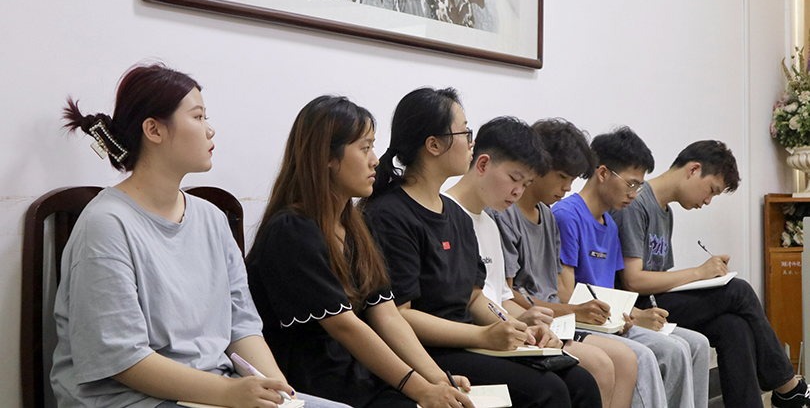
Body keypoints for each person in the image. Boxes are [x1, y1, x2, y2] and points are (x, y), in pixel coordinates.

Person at [52, 63, 345, 408]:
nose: (210, 129)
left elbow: (242, 325)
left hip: (214, 388)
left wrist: (277, 390)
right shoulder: (105, 224)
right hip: (130, 398)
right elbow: (123, 358)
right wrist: (228, 393)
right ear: (154, 130)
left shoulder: (212, 218)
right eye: (198, 116)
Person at [363, 86, 602, 408]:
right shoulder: (391, 215)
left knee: (581, 381)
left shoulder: (456, 216)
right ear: (433, 145)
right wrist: (482, 336)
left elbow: (475, 297)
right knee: (548, 390)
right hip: (427, 350)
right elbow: (399, 316)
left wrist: (517, 328)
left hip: (467, 341)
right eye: (465, 133)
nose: (471, 143)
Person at [246, 95, 474, 408]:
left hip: (360, 378)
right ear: (327, 157)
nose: (375, 160)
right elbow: (346, 327)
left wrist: (438, 379)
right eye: (365, 148)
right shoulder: (292, 230)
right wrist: (421, 389)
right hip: (314, 384)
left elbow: (387, 315)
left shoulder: (355, 226)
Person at [446, 116, 637, 408]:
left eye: (524, 183)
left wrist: (523, 326)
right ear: (482, 164)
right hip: (472, 337)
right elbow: (473, 303)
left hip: (508, 327)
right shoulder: (454, 216)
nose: (518, 191)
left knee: (606, 368)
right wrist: (519, 324)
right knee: (568, 381)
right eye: (515, 179)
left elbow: (500, 298)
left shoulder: (491, 222)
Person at [612, 140, 809, 408]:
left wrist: (703, 279)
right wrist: (698, 272)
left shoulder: (665, 212)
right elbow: (633, 280)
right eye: (712, 191)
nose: (707, 201)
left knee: (733, 327)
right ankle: (789, 387)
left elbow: (660, 277)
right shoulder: (636, 204)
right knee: (739, 291)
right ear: (693, 170)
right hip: (636, 308)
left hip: (656, 300)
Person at [490, 118, 665, 408]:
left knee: (626, 359)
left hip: (558, 320)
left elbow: (554, 291)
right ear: (537, 167)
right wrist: (575, 311)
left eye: (572, 178)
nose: (567, 187)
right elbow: (509, 295)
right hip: (537, 321)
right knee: (604, 363)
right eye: (562, 176)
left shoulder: (548, 216)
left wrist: (609, 314)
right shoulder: (509, 215)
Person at [552, 127, 710, 408]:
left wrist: (637, 314)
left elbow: (611, 291)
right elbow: (566, 295)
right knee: (658, 353)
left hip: (609, 320)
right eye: (631, 184)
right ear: (603, 173)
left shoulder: (610, 225)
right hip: (582, 322)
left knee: (695, 343)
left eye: (639, 187)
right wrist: (633, 318)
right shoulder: (567, 216)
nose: (635, 194)